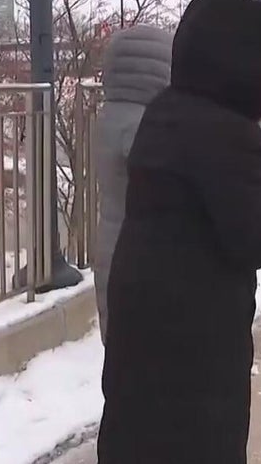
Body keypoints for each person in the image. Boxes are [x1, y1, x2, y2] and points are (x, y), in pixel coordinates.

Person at [98, 0, 261, 464]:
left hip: (143, 313)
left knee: (137, 431)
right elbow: (257, 237)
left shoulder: (165, 111)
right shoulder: (228, 134)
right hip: (196, 331)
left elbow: (212, 176)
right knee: (197, 441)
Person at [92, 25, 172, 343]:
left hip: (112, 249)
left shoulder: (111, 115)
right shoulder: (141, 125)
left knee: (120, 346)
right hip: (137, 261)